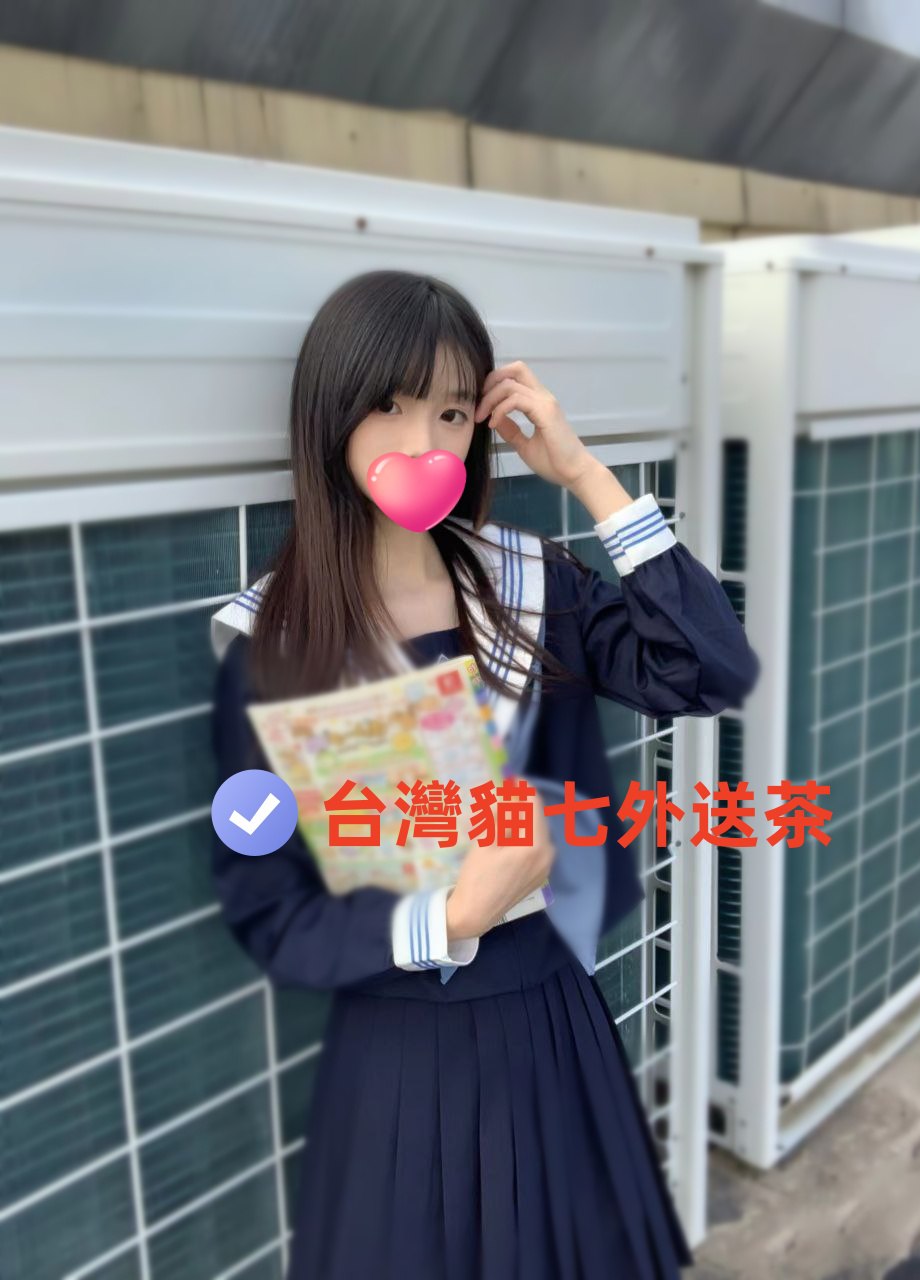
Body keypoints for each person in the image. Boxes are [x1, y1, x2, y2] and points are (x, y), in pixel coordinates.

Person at [209, 268, 760, 1280]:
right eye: (389, 405)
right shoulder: (272, 642)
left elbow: (710, 670)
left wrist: (584, 472)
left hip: (546, 1015)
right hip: (394, 1045)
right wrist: (452, 917)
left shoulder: (532, 583)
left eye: (453, 411)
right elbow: (270, 910)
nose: (423, 441)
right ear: (331, 414)